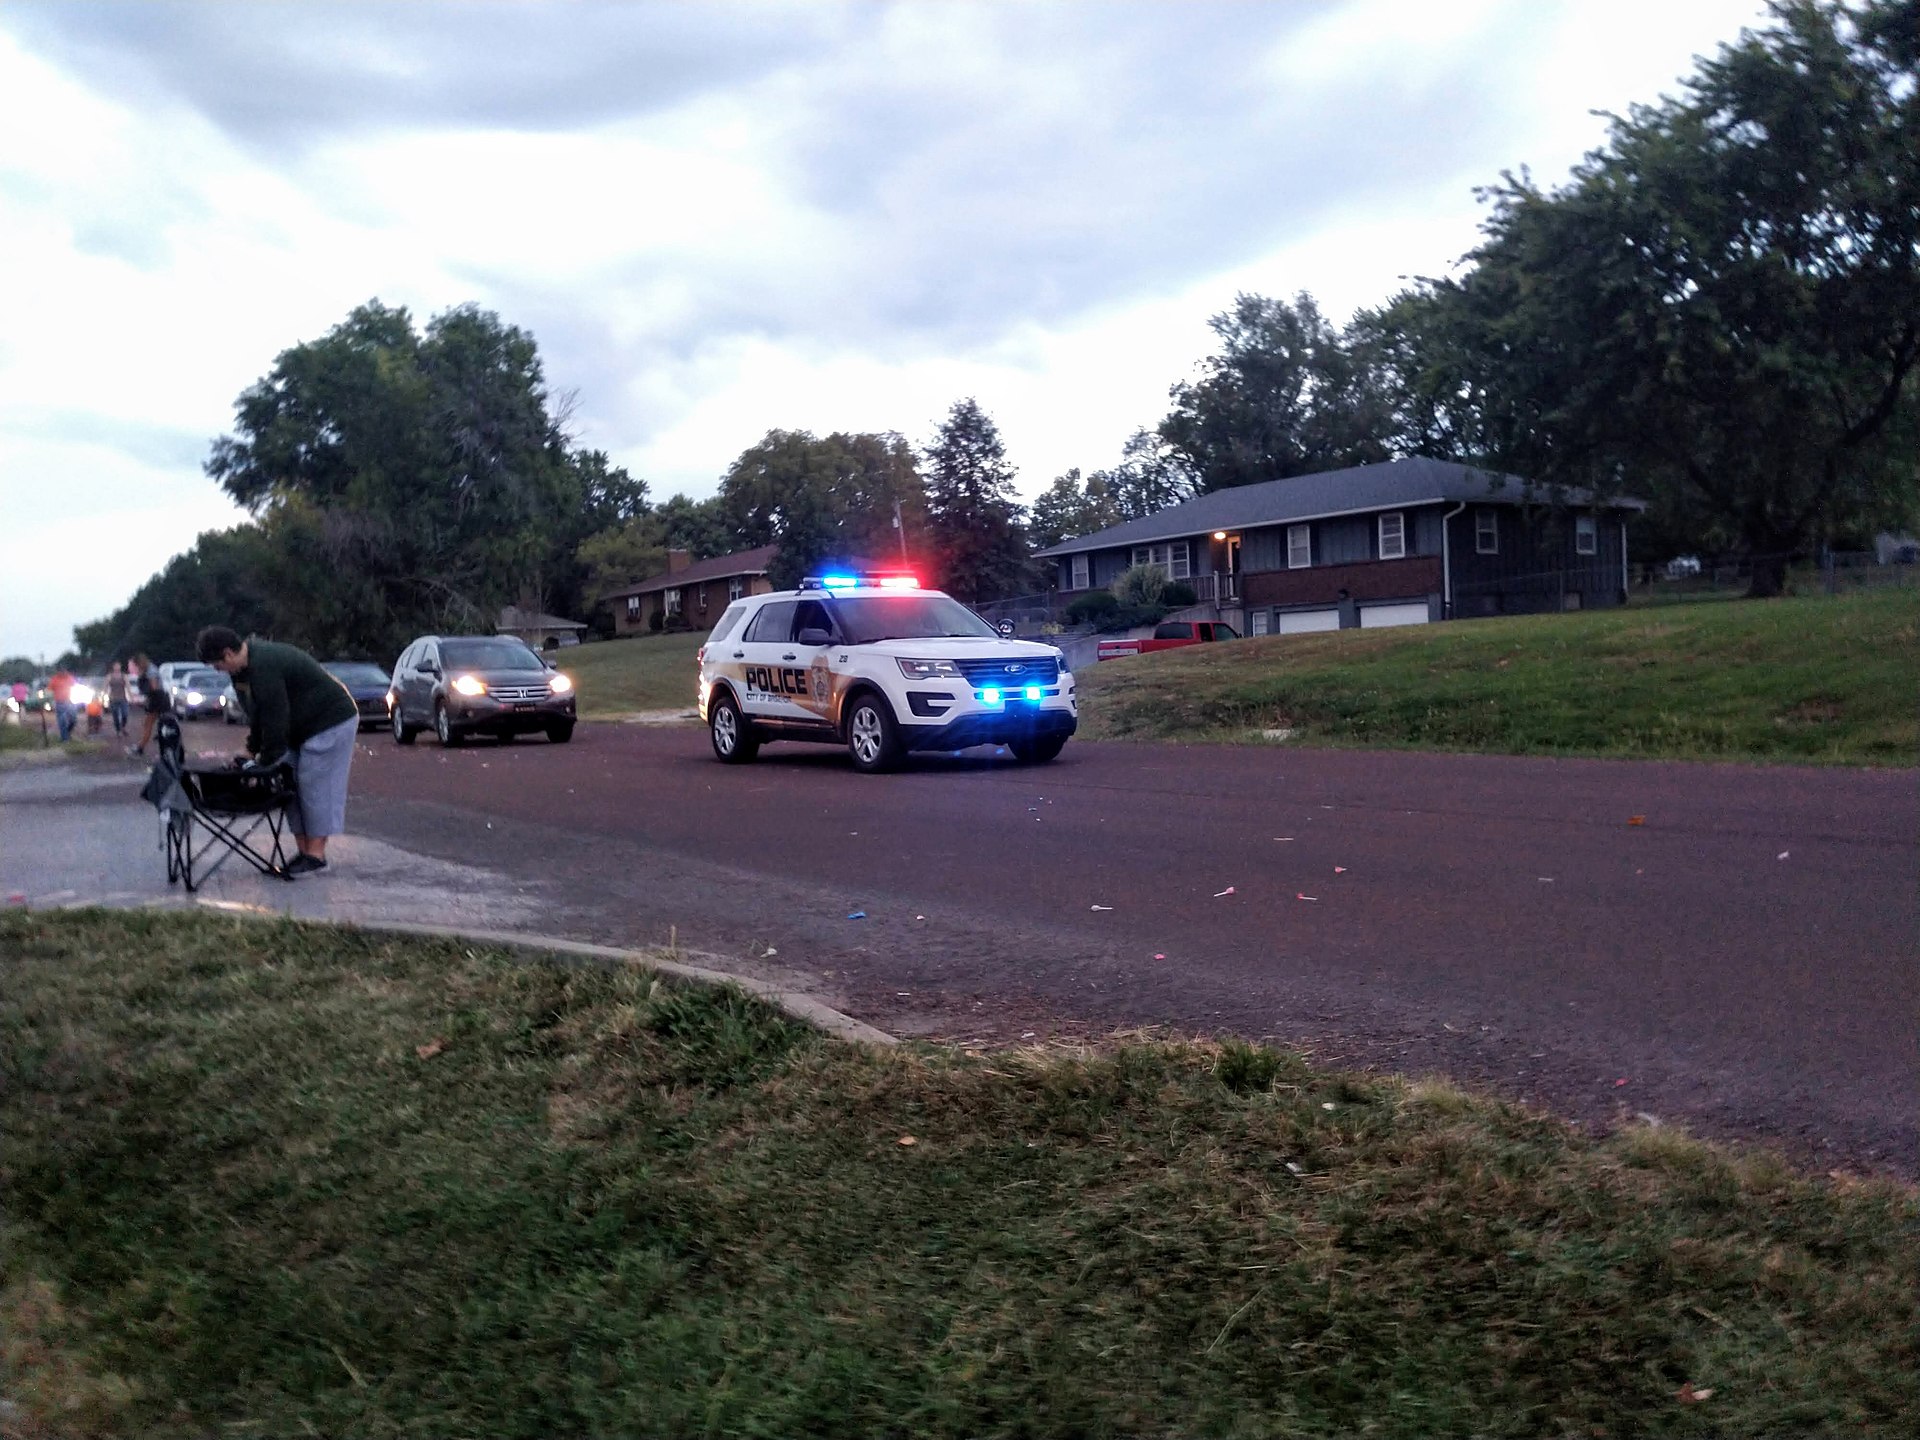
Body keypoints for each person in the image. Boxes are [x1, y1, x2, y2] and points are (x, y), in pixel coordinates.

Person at [197, 626, 358, 877]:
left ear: (228, 653)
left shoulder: (265, 665)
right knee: (288, 784)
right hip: (299, 728)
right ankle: (304, 853)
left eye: (217, 665)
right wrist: (251, 751)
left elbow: (275, 719)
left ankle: (316, 857)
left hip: (330, 721)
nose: (218, 670)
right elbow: (257, 716)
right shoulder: (240, 673)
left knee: (314, 785)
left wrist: (265, 763)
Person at [129, 653, 172, 756]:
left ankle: (141, 748)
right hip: (158, 698)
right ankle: (142, 746)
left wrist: (146, 697)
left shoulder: (150, 671)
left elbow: (154, 687)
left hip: (157, 699)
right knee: (153, 724)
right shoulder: (150, 669)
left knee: (148, 724)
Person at [48, 668, 76, 742]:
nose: (63, 673)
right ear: (58, 672)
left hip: (69, 701)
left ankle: (67, 733)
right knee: (62, 721)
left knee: (73, 719)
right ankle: (64, 738)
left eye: (64, 671)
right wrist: (51, 701)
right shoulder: (55, 679)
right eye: (61, 671)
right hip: (59, 702)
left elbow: (75, 686)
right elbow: (50, 690)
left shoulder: (69, 678)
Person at [105, 662, 131, 737]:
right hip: (113, 699)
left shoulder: (124, 676)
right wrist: (103, 697)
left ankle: (123, 727)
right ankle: (118, 730)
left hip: (123, 698)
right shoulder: (109, 676)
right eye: (115, 666)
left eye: (118, 666)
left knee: (125, 714)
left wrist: (131, 696)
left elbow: (128, 686)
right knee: (115, 715)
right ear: (113, 667)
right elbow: (105, 687)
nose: (117, 667)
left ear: (120, 667)